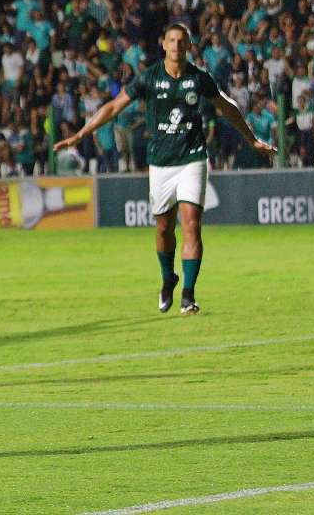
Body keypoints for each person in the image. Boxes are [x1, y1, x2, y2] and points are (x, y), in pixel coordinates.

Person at [54, 23, 276, 314]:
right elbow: (113, 107)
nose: (176, 45)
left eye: (181, 40)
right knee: (163, 228)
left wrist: (252, 139)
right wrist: (80, 135)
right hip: (160, 162)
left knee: (192, 226)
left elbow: (227, 105)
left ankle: (188, 295)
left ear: (188, 45)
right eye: (171, 40)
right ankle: (168, 277)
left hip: (193, 158)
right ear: (163, 44)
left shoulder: (198, 78)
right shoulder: (149, 77)